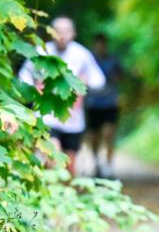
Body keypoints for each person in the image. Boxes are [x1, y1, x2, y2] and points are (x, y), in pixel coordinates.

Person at [17, 16, 105, 178]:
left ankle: (65, 195)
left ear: (73, 33)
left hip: (72, 118)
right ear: (51, 33)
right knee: (52, 154)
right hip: (47, 115)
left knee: (69, 166)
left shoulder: (82, 54)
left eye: (66, 31)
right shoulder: (41, 52)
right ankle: (49, 191)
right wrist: (33, 87)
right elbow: (24, 74)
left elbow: (99, 80)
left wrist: (84, 82)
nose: (62, 35)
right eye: (58, 31)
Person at [86, 33, 123, 179]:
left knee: (109, 133)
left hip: (110, 103)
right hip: (93, 103)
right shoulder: (90, 60)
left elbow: (121, 76)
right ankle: (96, 163)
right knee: (94, 136)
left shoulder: (113, 60)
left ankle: (108, 165)